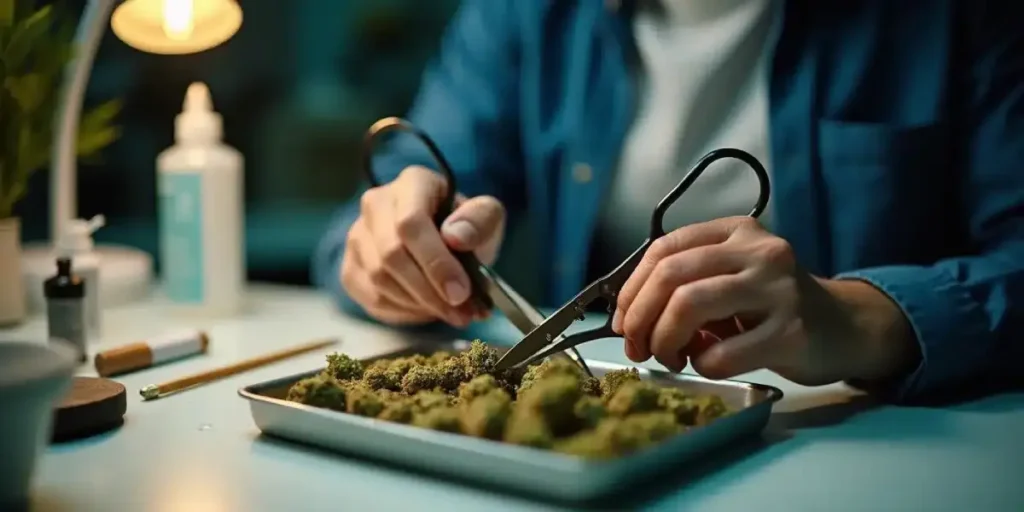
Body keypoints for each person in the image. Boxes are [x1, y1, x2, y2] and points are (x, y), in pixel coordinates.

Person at [312, 0, 1024, 404]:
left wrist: (859, 317)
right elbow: (395, 192)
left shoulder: (958, 20)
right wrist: (394, 246)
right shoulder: (523, 16)